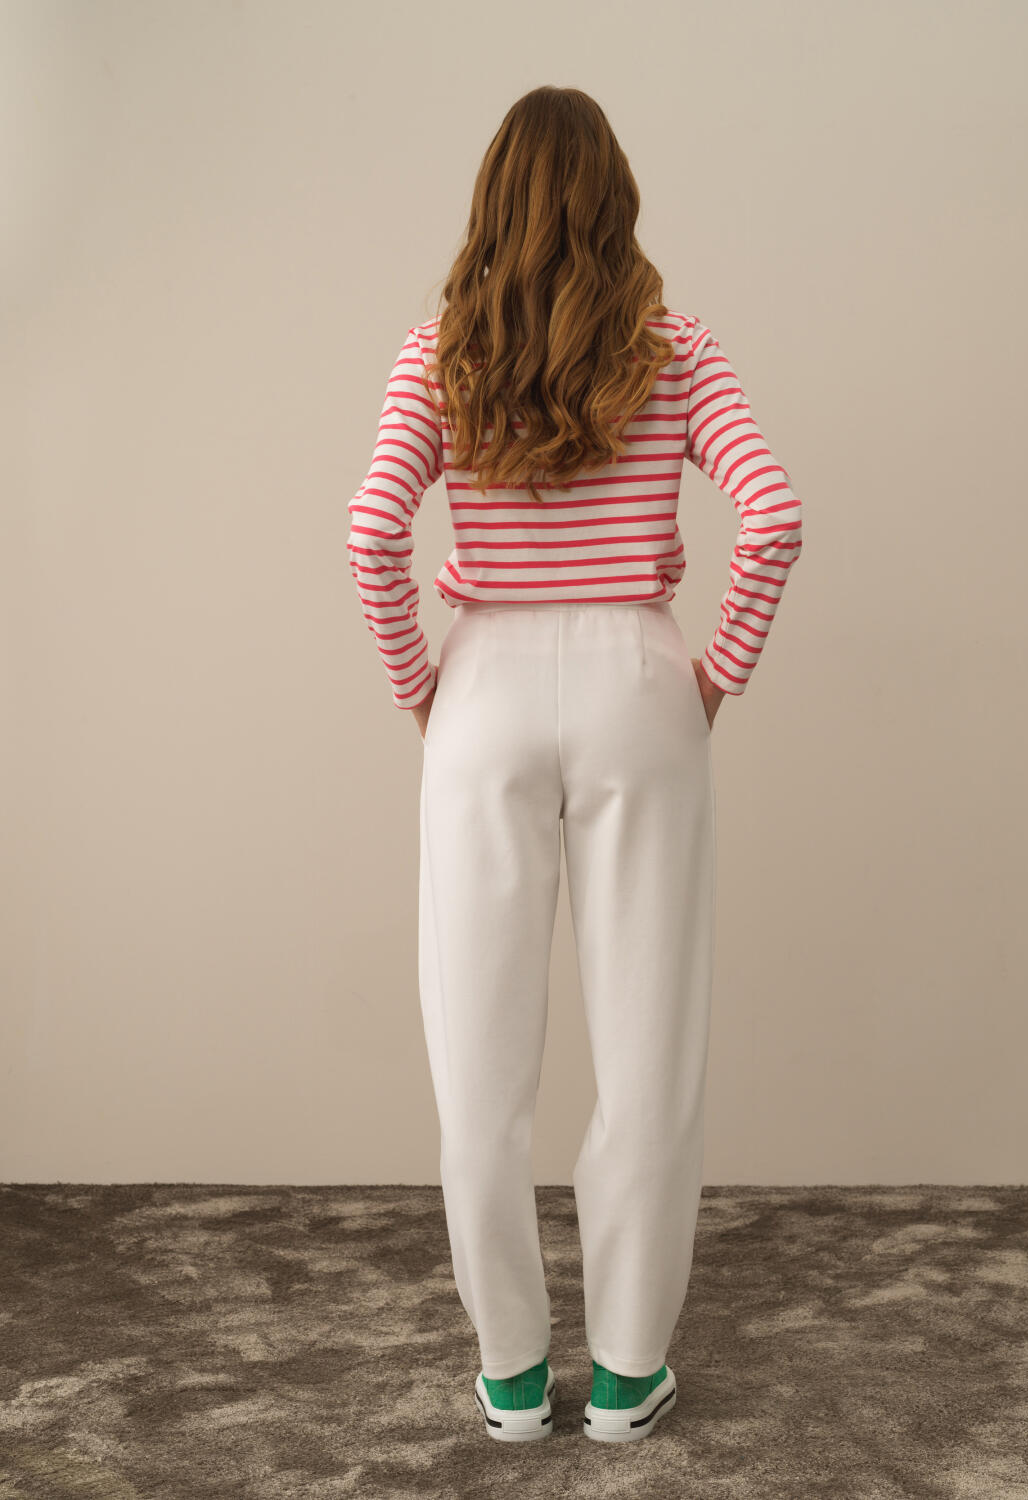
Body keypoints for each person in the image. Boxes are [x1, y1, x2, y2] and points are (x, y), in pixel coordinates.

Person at [345, 85, 803, 1444]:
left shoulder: (438, 352)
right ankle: (622, 1375)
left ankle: (506, 1375)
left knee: (477, 1059)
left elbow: (371, 535)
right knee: (649, 1048)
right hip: (636, 684)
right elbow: (773, 515)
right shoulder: (676, 348)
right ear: (616, 201)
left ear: (492, 199)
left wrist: (420, 688)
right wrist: (712, 676)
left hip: (484, 682)